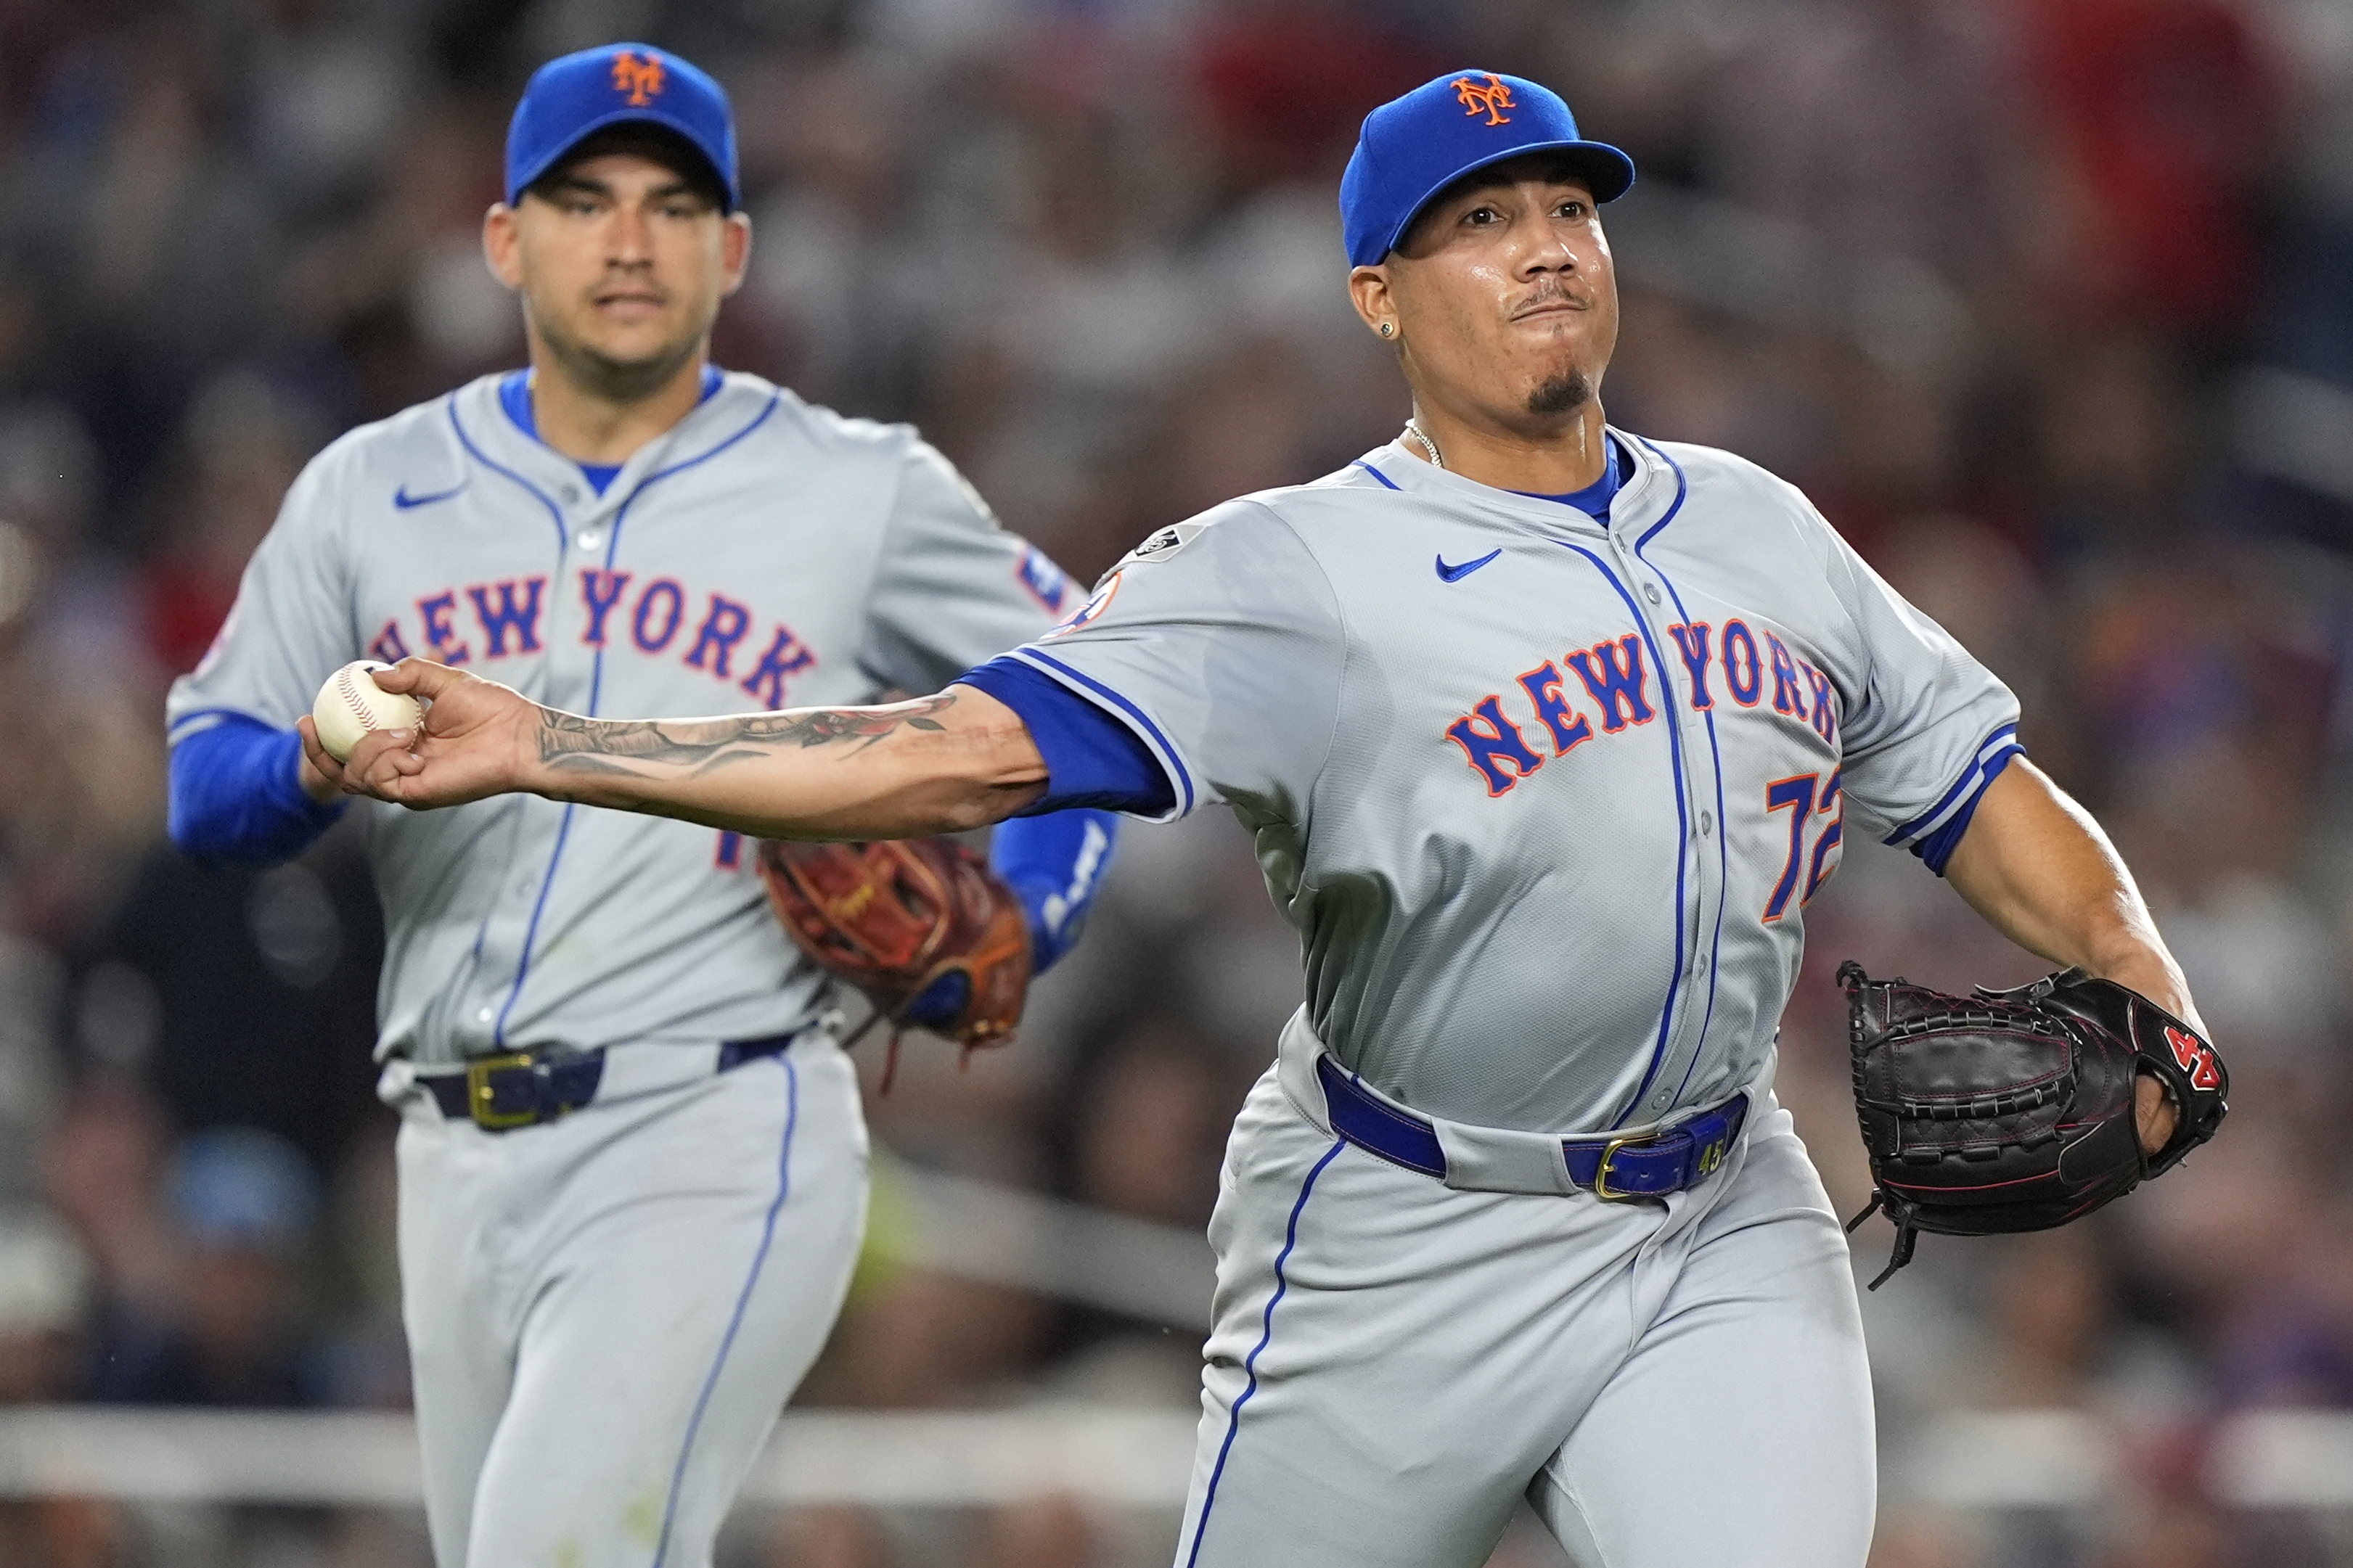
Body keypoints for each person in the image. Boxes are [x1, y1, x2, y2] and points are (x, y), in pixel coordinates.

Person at [316, 70, 2203, 1568]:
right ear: (1379, 296)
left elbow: (1975, 794)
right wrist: (554, 739)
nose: (1546, 245)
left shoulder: (1761, 527)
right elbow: (948, 751)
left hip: (1716, 1217)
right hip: (1396, 1232)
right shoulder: (1293, 570)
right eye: (1480, 225)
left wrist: (2132, 965)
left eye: (1565, 207)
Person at [163, 43, 1118, 1568]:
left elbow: (1096, 698)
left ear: (733, 250)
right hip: (449, 1153)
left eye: (675, 206)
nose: (628, 239)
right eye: (583, 198)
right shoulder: (369, 488)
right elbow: (201, 788)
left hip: (712, 1122)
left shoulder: (853, 487)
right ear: (502, 240)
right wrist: (304, 766)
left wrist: (1030, 917)